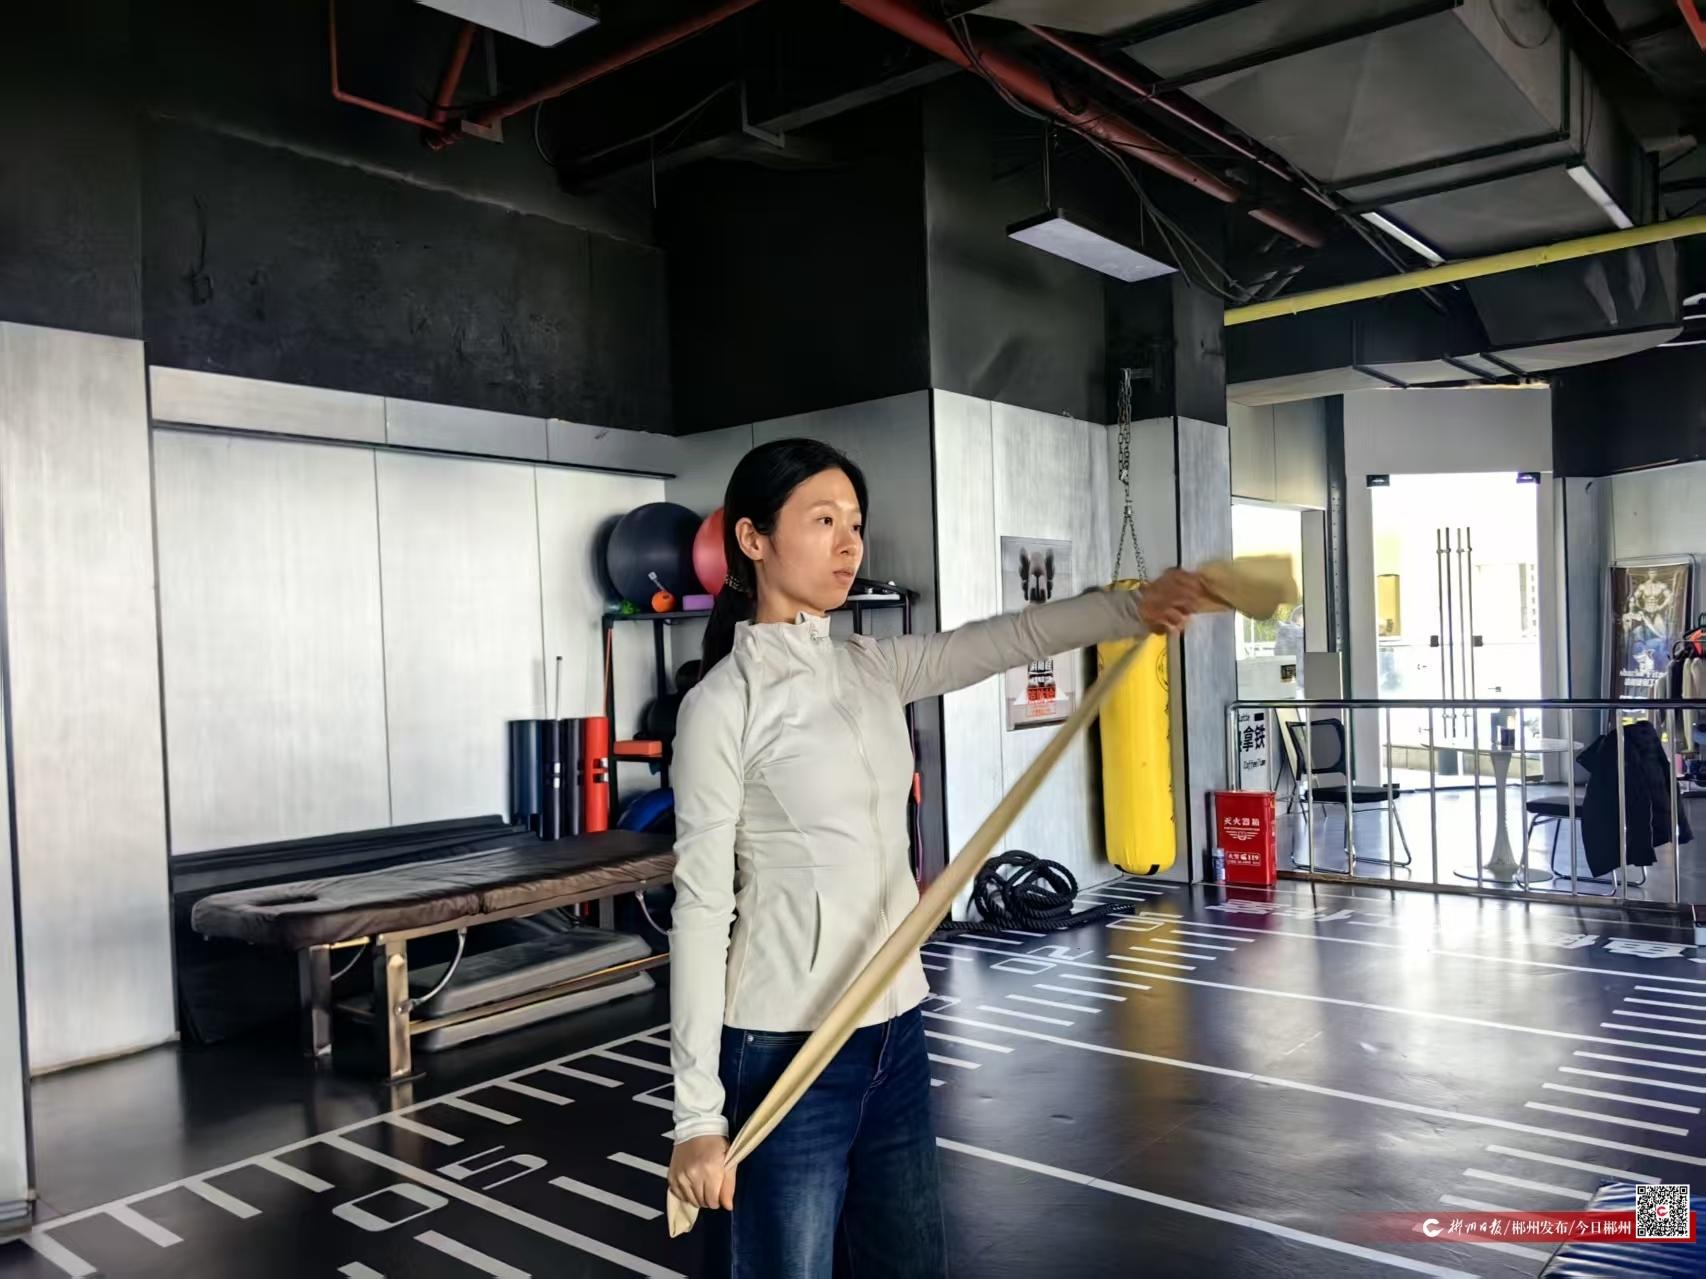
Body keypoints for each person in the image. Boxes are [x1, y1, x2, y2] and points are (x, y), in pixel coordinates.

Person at [665, 438, 1207, 1277]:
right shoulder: (721, 705)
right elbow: (701, 909)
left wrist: (1133, 609)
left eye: (855, 523)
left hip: (896, 1031)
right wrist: (697, 1117)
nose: (849, 543)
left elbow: (1013, 634)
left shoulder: (871, 666)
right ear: (752, 538)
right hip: (783, 1048)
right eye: (823, 521)